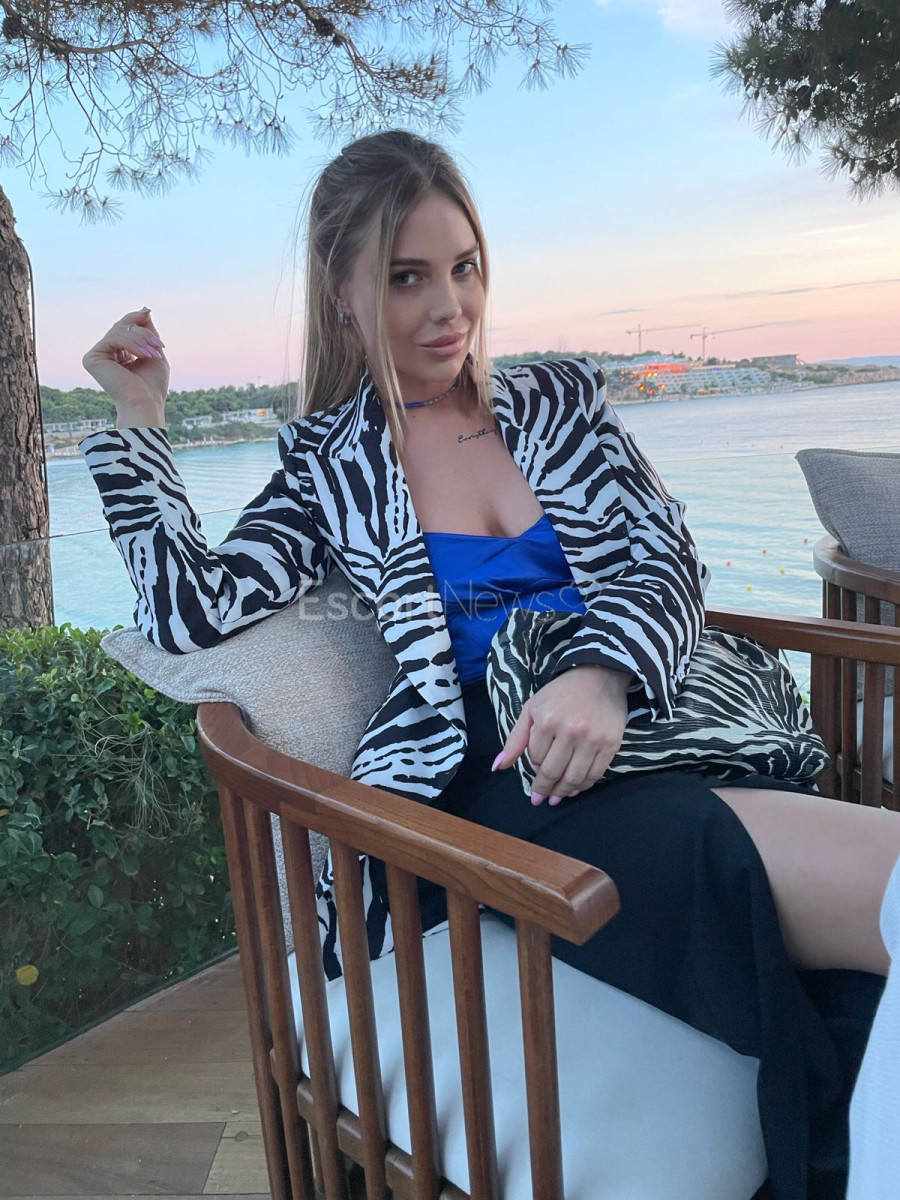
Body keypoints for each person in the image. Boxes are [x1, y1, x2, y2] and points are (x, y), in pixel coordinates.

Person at [80, 129, 898, 1199]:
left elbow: (664, 555)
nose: (449, 307)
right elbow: (189, 610)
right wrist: (138, 416)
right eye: (406, 277)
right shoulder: (330, 462)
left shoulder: (556, 398)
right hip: (511, 777)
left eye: (463, 268)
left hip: (649, 721)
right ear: (341, 291)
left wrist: (602, 672)